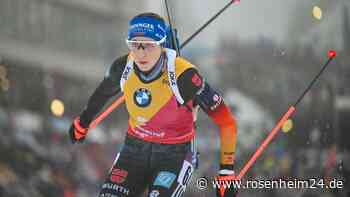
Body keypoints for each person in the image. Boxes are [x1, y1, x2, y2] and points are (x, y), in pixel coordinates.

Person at [69, 12, 238, 197]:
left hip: (174, 155)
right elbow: (102, 94)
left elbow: (226, 121)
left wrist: (226, 173)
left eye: (149, 45)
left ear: (161, 44)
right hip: (134, 150)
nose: (141, 53)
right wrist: (82, 122)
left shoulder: (185, 77)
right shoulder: (122, 67)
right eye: (135, 45)